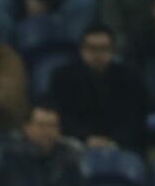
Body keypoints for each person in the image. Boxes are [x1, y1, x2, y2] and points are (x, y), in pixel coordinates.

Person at [48, 23, 147, 151]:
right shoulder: (63, 77)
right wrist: (86, 138)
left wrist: (113, 141)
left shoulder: (130, 78)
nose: (98, 54)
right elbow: (61, 116)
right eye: (92, 48)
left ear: (113, 50)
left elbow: (136, 118)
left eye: (103, 48)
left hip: (121, 145)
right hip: (76, 143)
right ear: (82, 49)